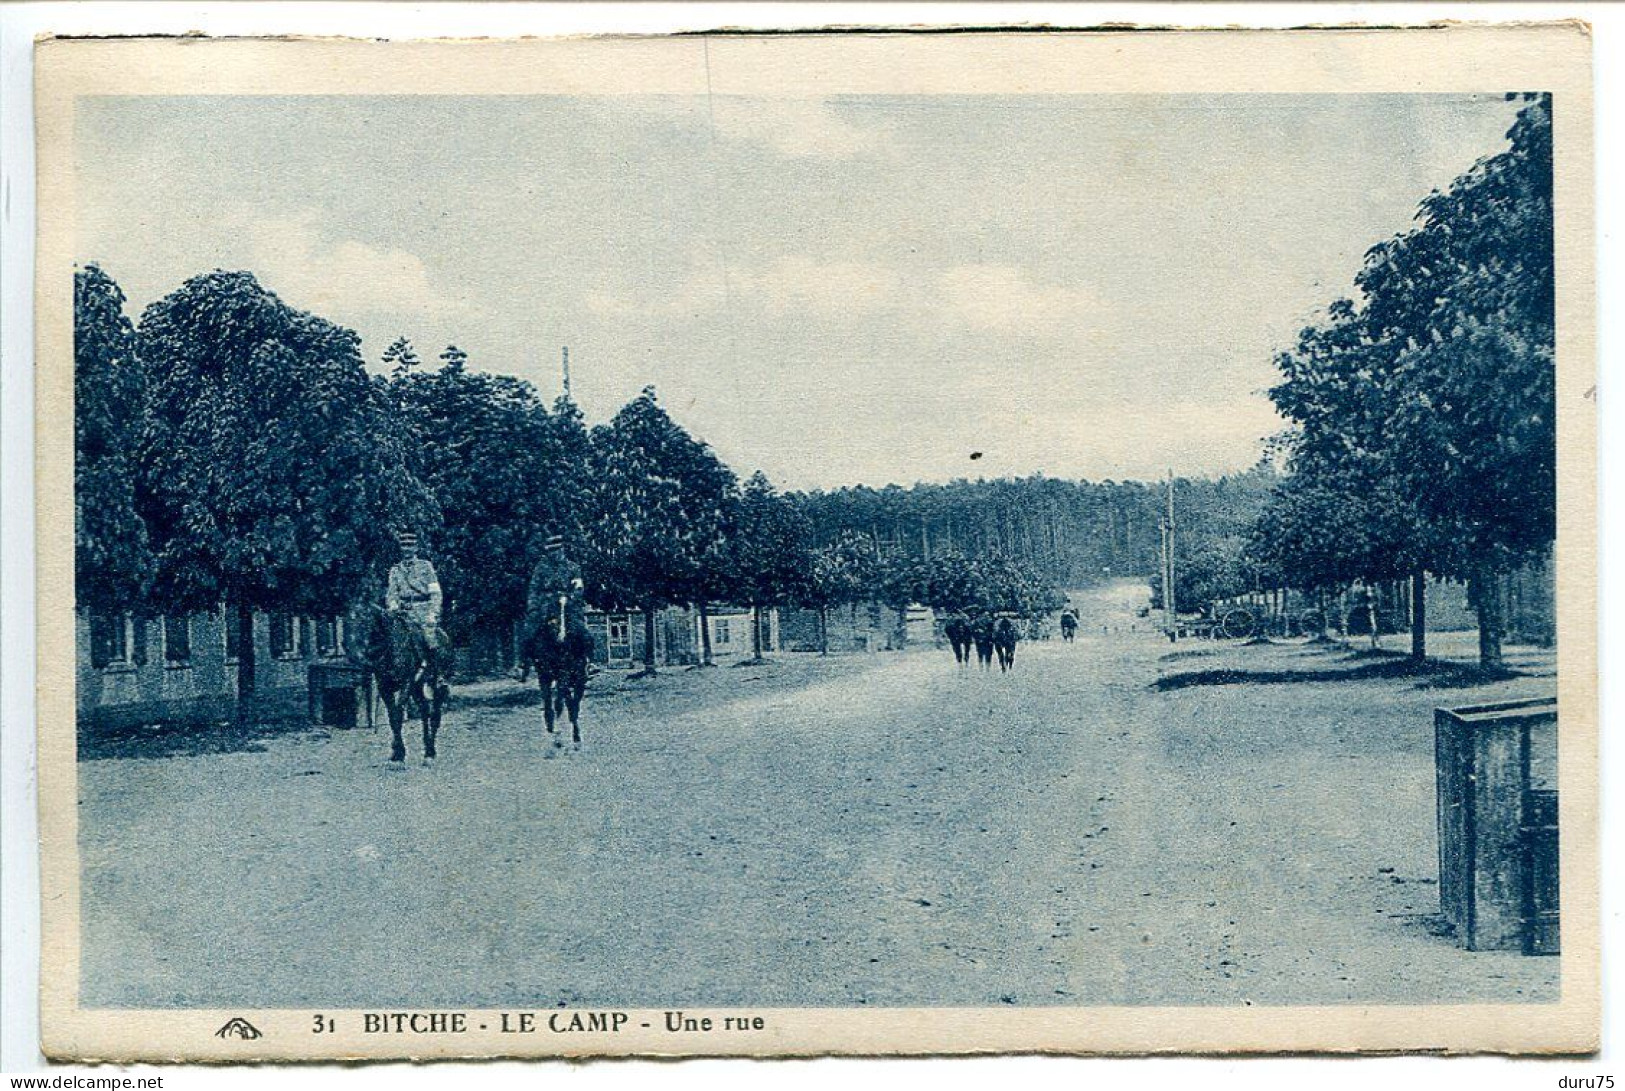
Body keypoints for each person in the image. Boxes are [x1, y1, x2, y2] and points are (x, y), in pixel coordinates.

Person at [385, 531, 450, 671]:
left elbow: (436, 592)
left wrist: (432, 613)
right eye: (404, 545)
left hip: (424, 611)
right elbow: (391, 593)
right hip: (403, 613)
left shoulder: (425, 566)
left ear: (416, 548)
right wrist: (393, 605)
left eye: (410, 545)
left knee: (430, 637)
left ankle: (437, 674)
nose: (407, 548)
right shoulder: (395, 570)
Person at [525, 533, 587, 641]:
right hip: (546, 604)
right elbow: (533, 589)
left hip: (568, 605)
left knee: (582, 632)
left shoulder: (573, 567)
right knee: (530, 634)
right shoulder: (541, 568)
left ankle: (586, 656)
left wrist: (570, 598)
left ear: (562, 550)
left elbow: (578, 588)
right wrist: (533, 608)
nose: (554, 554)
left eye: (557, 550)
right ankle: (529, 657)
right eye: (551, 551)